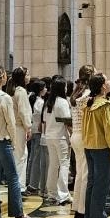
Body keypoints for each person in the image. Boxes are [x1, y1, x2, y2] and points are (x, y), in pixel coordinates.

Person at [0, 66, 40, 218]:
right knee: (13, 177)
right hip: (1, 140)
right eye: (5, 74)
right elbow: (10, 123)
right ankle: (19, 215)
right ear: (2, 78)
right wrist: (13, 141)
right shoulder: (4, 97)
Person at [82, 73, 110, 218]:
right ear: (103, 86)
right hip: (102, 147)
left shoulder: (89, 103)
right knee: (102, 183)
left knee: (92, 181)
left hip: (89, 146)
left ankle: (91, 215)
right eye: (107, 80)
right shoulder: (105, 105)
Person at [68, 65, 94, 218]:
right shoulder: (88, 95)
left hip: (75, 135)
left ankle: (77, 206)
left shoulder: (76, 93)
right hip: (84, 136)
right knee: (85, 174)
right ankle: (82, 210)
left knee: (79, 173)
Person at [44, 77, 72, 206]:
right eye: (65, 86)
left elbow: (44, 120)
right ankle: (63, 194)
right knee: (64, 164)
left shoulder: (49, 101)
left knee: (53, 165)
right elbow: (67, 121)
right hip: (60, 137)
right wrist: (71, 135)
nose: (66, 88)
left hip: (49, 136)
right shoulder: (62, 101)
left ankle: (52, 193)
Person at [7, 67, 32, 191]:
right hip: (20, 127)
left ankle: (17, 185)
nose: (29, 76)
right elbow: (23, 112)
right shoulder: (21, 91)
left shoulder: (13, 90)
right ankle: (20, 187)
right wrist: (28, 127)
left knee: (18, 155)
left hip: (13, 126)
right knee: (21, 157)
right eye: (27, 74)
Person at [26, 79, 48, 196]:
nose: (46, 89)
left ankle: (30, 181)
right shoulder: (39, 101)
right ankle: (34, 184)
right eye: (44, 88)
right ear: (40, 89)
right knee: (36, 159)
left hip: (33, 130)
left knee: (32, 157)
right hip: (38, 131)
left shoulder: (32, 99)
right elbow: (41, 117)